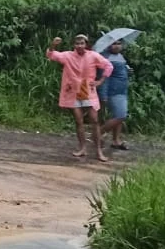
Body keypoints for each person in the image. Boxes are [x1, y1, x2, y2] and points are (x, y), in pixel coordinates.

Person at [47, 34, 114, 162]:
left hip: (88, 90)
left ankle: (99, 150)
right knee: (79, 121)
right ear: (74, 45)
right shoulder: (68, 56)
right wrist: (53, 44)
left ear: (86, 44)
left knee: (94, 120)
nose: (79, 46)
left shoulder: (93, 55)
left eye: (82, 43)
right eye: (77, 44)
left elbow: (108, 66)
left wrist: (100, 81)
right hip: (73, 91)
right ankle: (82, 148)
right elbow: (51, 54)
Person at [100, 39, 131, 150]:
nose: (116, 46)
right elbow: (104, 77)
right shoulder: (105, 58)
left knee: (118, 116)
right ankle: (99, 133)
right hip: (113, 92)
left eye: (119, 44)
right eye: (114, 44)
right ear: (108, 45)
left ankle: (116, 140)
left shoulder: (120, 57)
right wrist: (103, 95)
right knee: (120, 116)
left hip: (122, 90)